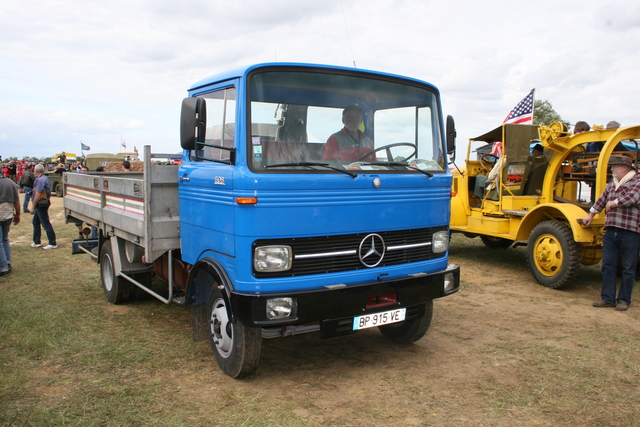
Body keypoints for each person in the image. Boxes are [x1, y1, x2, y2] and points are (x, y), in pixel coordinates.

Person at [582, 156, 640, 311]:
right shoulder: (612, 183)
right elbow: (601, 199)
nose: (612, 169)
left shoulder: (637, 181)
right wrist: (591, 214)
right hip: (611, 230)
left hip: (630, 231)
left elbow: (633, 198)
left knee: (628, 267)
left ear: (626, 168)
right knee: (608, 264)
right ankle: (607, 298)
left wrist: (613, 204)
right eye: (612, 166)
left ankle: (624, 300)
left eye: (615, 166)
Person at [30, 164, 57, 250]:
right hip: (44, 202)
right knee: (35, 222)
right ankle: (36, 241)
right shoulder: (45, 178)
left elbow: (38, 194)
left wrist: (33, 206)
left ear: (36, 171)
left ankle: (52, 243)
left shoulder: (40, 180)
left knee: (45, 223)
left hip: (41, 203)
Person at [0, 172, 20, 277]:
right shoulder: (11, 183)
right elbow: (17, 201)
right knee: (5, 239)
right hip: (8, 215)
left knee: (1, 241)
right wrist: (18, 214)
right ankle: (7, 262)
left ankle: (3, 267)